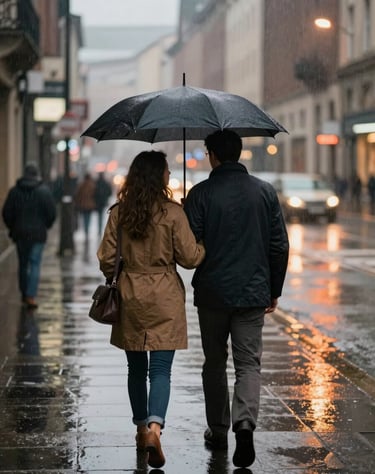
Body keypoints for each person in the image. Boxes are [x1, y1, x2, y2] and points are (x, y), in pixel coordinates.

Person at [184, 130, 289, 468]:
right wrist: (274, 288)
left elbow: (189, 248)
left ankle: (218, 430)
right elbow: (279, 245)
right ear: (240, 153)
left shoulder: (200, 194)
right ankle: (245, 425)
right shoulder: (264, 191)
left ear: (212, 154)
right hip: (252, 292)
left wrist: (189, 214)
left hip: (213, 293)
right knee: (248, 364)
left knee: (214, 362)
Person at [97, 150, 205, 468]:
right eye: (167, 171)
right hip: (165, 295)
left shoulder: (120, 213)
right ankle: (156, 428)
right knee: (160, 370)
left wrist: (122, 272)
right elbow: (190, 257)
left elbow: (106, 259)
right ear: (159, 176)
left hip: (130, 293)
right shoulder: (173, 213)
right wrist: (201, 242)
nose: (170, 175)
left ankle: (141, 428)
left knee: (135, 370)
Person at [2, 162, 56, 309]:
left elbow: (6, 213)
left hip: (20, 234)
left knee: (23, 264)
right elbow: (51, 213)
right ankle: (31, 296)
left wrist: (12, 227)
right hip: (38, 234)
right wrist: (46, 226)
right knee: (35, 264)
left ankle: (24, 293)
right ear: (36, 174)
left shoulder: (14, 191)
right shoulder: (44, 192)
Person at [74, 172, 96, 239]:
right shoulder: (92, 185)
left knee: (84, 218)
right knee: (88, 218)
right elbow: (95, 195)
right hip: (90, 205)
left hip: (83, 205)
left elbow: (77, 194)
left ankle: (86, 230)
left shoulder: (81, 185)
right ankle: (87, 229)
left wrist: (78, 202)